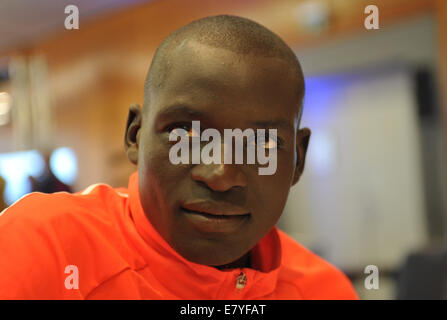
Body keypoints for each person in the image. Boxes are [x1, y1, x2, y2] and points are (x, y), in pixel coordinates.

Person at [0, 15, 358, 299]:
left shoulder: (324, 291)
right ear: (135, 136)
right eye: (187, 133)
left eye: (261, 142)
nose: (222, 174)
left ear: (297, 159)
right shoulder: (40, 250)